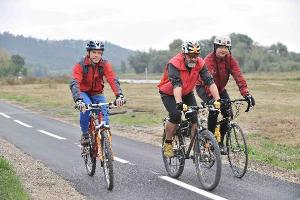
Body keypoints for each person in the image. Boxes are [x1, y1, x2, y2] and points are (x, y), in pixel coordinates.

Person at [158, 41, 221, 157]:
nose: (193, 59)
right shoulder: (174, 63)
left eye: (196, 56)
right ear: (184, 54)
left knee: (194, 119)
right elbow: (176, 84)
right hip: (169, 93)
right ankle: (168, 143)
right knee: (176, 116)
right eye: (190, 56)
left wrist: (217, 99)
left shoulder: (200, 63)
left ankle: (196, 151)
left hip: (186, 92)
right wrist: (179, 103)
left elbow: (209, 81)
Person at [196, 35, 255, 154]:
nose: (223, 50)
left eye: (226, 47)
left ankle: (220, 142)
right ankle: (209, 138)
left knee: (228, 113)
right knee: (214, 110)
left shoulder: (230, 59)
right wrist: (214, 99)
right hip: (204, 88)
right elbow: (208, 82)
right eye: (221, 47)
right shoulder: (208, 60)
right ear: (215, 47)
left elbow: (238, 76)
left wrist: (246, 94)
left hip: (220, 89)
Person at [70, 40, 125, 145]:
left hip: (97, 93)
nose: (97, 55)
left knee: (104, 115)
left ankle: (105, 146)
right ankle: (85, 134)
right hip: (83, 92)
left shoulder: (104, 65)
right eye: (94, 52)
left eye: (99, 53)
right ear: (88, 52)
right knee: (85, 108)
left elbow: (112, 79)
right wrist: (78, 100)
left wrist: (119, 95)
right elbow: (75, 82)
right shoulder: (80, 65)